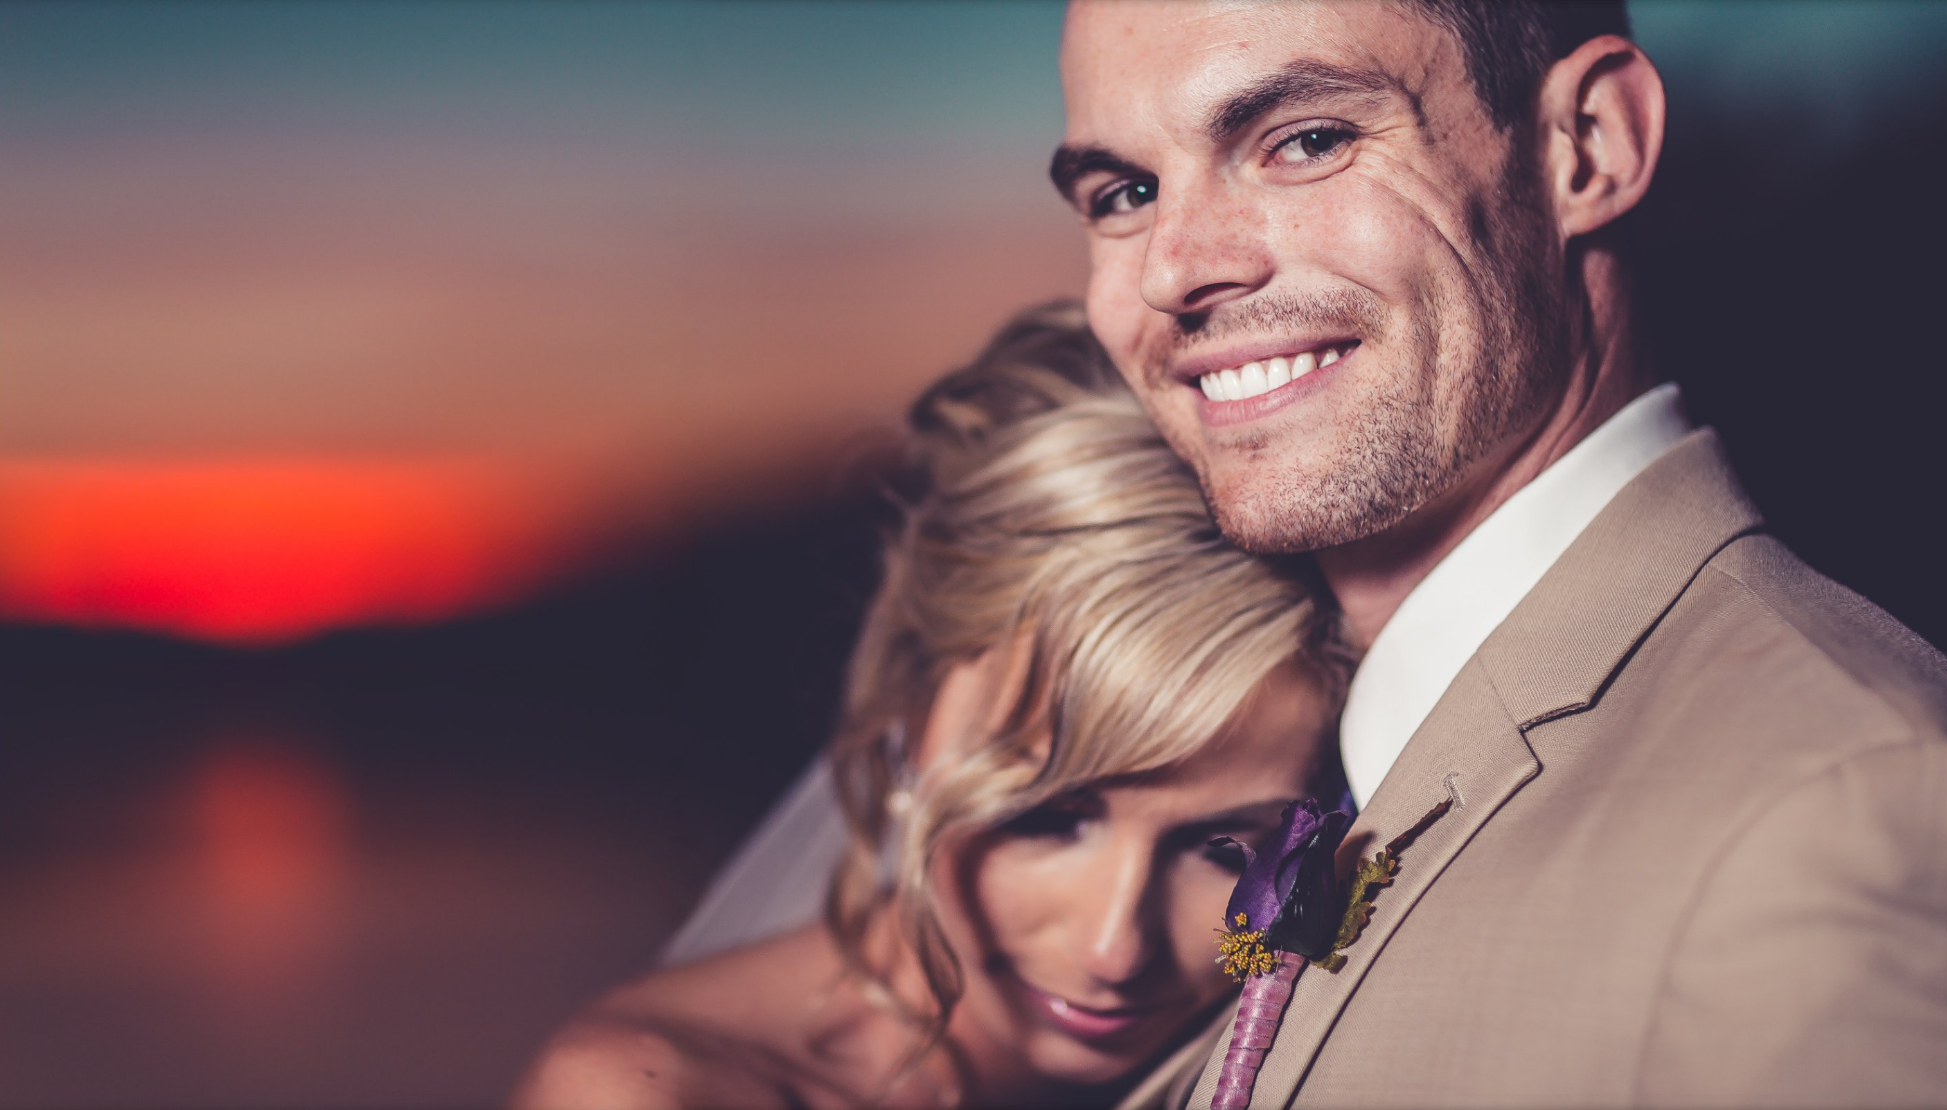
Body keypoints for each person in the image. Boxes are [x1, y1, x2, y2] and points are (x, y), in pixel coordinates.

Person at [1046, 1, 1947, 1108]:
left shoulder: (1845, 811)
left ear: (1586, 144)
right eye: (1125, 193)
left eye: (1305, 140)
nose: (1172, 271)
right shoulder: (1298, 767)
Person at [511, 305, 1351, 1109]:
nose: (1114, 949)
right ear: (912, 712)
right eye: (1046, 819)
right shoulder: (654, 1092)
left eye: (1225, 848)